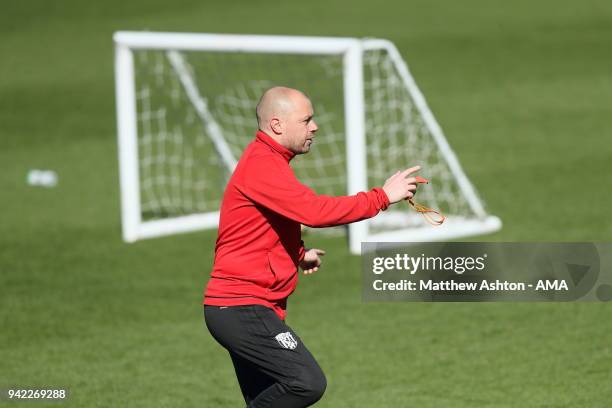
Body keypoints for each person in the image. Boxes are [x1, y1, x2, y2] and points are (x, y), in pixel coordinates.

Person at [203, 86, 420, 407]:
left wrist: (299, 255)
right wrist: (382, 197)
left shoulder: (270, 161)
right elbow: (313, 211)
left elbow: (264, 226)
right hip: (241, 308)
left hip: (247, 308)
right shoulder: (262, 165)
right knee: (305, 382)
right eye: (306, 120)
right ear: (277, 125)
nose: (315, 127)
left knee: (268, 398)